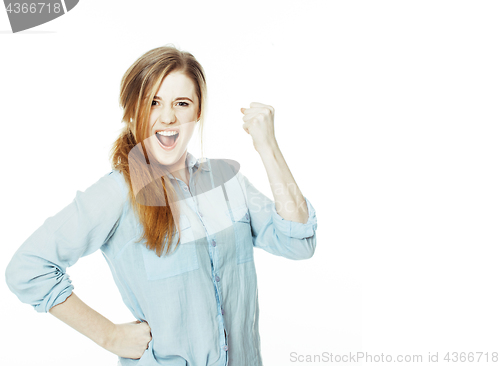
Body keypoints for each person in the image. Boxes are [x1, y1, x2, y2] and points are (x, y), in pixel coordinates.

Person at [5, 45, 318, 366]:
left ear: (198, 112)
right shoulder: (117, 193)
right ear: (132, 111)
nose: (168, 117)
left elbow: (299, 242)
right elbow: (28, 268)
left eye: (181, 103)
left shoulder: (226, 182)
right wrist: (108, 335)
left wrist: (267, 146)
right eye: (153, 102)